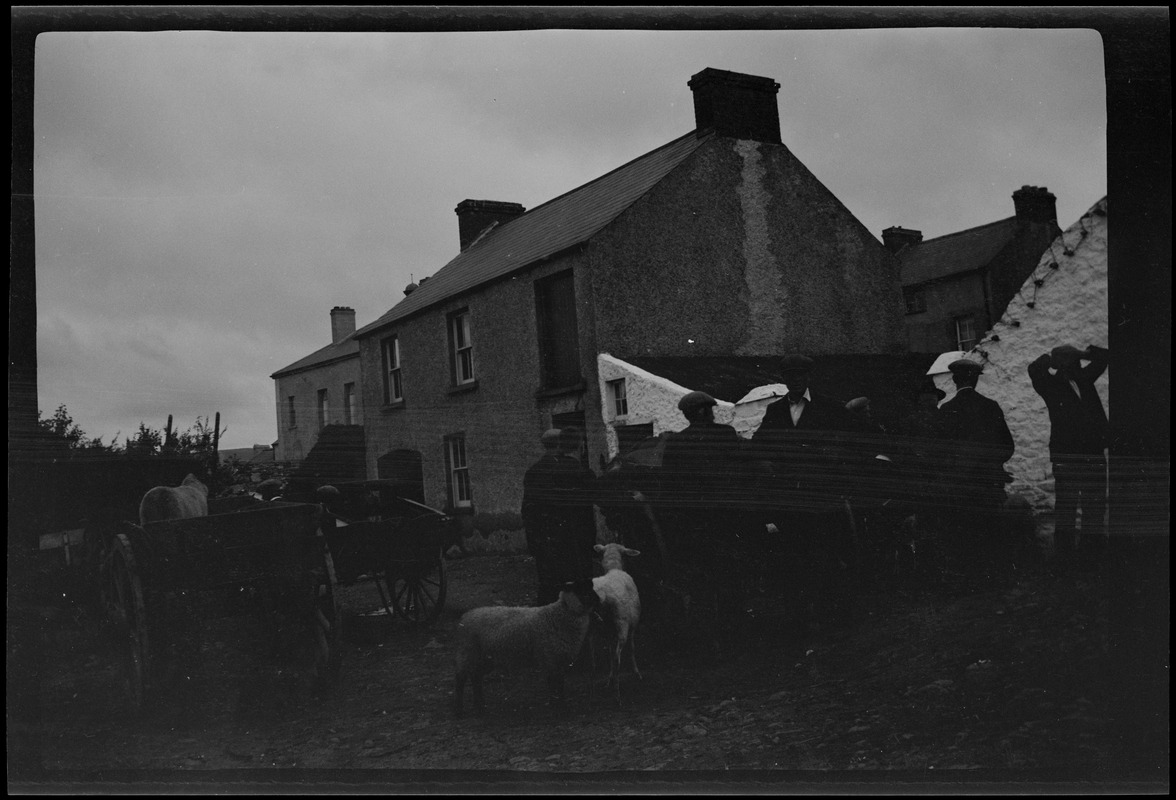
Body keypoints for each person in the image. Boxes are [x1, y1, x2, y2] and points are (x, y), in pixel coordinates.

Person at [751, 354, 859, 631]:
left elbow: (848, 448)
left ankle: (834, 619)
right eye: (790, 375)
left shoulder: (830, 408)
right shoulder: (775, 412)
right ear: (786, 379)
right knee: (793, 561)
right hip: (790, 502)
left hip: (823, 498)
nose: (795, 380)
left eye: (800, 375)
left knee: (827, 558)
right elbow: (759, 448)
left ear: (808, 377)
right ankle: (797, 622)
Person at [1028, 344, 1110, 569]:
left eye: (1077, 361)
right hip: (1067, 456)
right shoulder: (1050, 385)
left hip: (1092, 453)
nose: (1077, 365)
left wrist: (1083, 353)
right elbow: (1034, 368)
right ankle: (1064, 554)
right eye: (1072, 361)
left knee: (1094, 503)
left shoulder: (1084, 378)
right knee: (1067, 505)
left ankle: (1092, 549)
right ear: (1063, 365)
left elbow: (1104, 357)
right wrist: (1052, 358)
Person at [935, 358, 1016, 575]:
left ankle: (969, 575)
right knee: (990, 527)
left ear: (954, 380)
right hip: (989, 481)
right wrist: (991, 464)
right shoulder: (990, 407)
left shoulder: (947, 409)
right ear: (975, 380)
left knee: (965, 530)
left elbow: (941, 451)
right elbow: (1007, 446)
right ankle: (994, 574)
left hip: (960, 484)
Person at [521, 428, 598, 605]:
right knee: (579, 589)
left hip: (546, 541)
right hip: (575, 541)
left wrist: (534, 543)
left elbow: (528, 511)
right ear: (562, 443)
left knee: (550, 589)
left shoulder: (534, 471)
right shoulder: (578, 469)